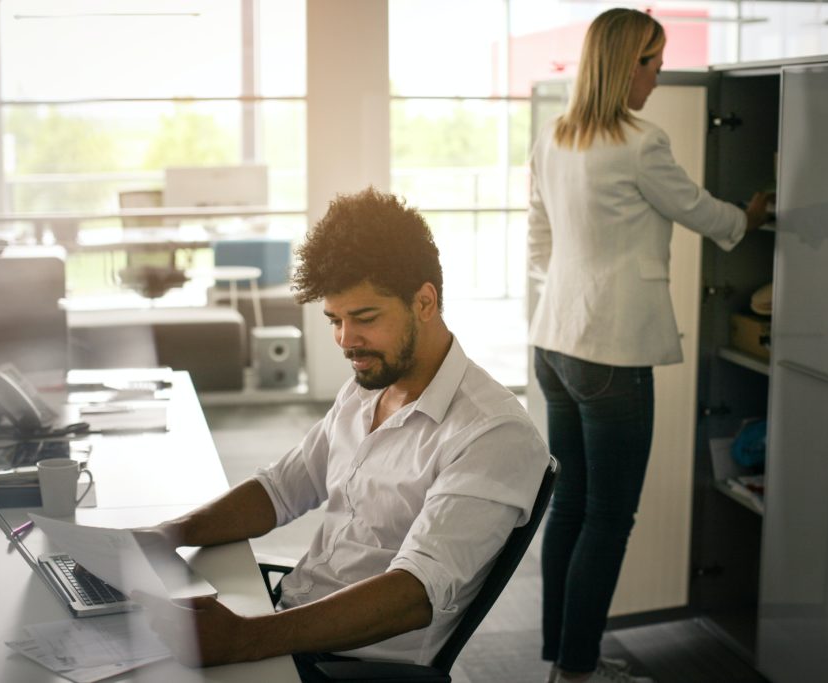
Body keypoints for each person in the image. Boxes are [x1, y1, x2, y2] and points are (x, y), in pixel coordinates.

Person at [133, 187, 549, 681]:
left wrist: (245, 639)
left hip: (344, 664)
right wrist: (168, 535)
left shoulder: (492, 434)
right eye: (335, 320)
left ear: (424, 301)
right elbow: (281, 488)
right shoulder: (367, 387)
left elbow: (414, 593)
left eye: (365, 318)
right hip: (288, 621)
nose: (347, 342)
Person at [527, 9, 773, 683]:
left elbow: (538, 240)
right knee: (609, 516)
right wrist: (746, 219)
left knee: (572, 506)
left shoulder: (555, 137)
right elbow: (698, 209)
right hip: (612, 353)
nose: (659, 78)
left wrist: (574, 294)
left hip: (555, 342)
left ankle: (562, 658)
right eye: (653, 64)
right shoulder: (640, 142)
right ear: (623, 64)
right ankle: (578, 670)